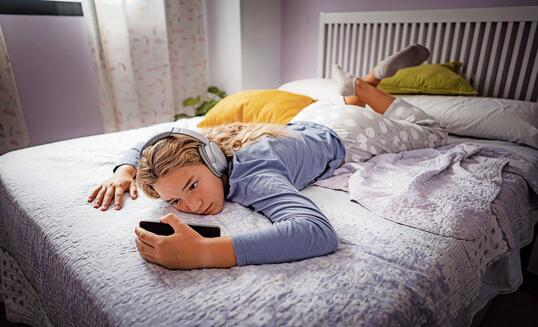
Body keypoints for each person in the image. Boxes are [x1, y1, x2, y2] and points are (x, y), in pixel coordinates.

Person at [87, 44, 447, 270]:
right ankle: (357, 87)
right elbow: (156, 143)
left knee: (434, 132)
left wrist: (206, 253)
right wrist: (124, 172)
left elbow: (318, 233)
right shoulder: (204, 150)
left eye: (192, 186)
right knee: (347, 108)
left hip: (348, 131)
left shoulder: (257, 176)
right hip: (310, 118)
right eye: (176, 199)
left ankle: (365, 86)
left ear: (213, 161)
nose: (192, 204)